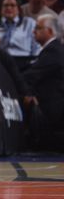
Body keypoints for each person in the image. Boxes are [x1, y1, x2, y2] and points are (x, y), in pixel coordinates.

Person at [21, 15, 64, 147]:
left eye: (38, 28)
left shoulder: (53, 50)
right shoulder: (52, 49)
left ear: (49, 31)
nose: (34, 31)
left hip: (53, 110)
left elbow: (32, 75)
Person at [0, 0, 39, 71]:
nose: (9, 8)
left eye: (12, 5)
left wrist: (33, 65)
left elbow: (36, 47)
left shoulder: (29, 23)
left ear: (18, 9)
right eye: (6, 5)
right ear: (1, 9)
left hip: (23, 63)